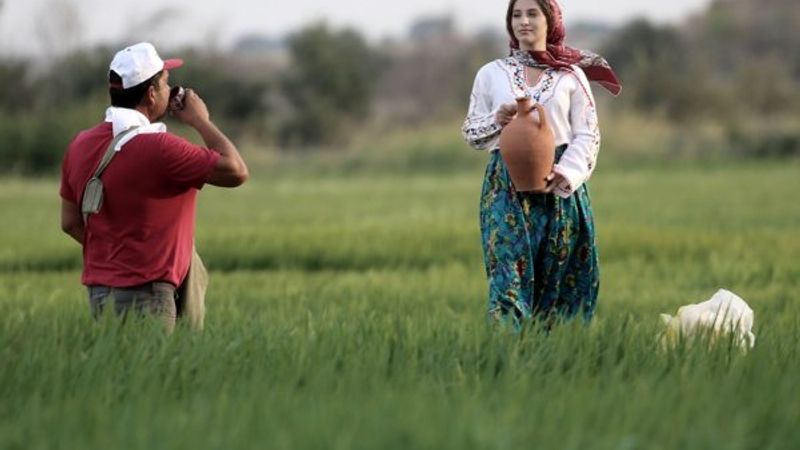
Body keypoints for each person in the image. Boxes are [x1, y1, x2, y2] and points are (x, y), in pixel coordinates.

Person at [59, 42, 248, 331]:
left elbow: (70, 222)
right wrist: (200, 120)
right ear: (151, 93)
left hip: (99, 294)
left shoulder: (80, 144)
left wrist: (117, 253)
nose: (170, 90)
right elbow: (236, 171)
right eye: (165, 83)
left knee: (116, 375)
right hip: (148, 297)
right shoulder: (160, 148)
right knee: (152, 375)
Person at [461, 0, 621, 329]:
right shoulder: (491, 73)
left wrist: (564, 174)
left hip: (560, 188)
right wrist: (498, 119)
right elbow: (472, 134)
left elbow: (588, 134)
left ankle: (556, 362)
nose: (523, 22)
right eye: (516, 15)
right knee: (508, 277)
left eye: (532, 13)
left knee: (560, 281)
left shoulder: (571, 75)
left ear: (550, 20)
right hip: (505, 188)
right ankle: (506, 360)